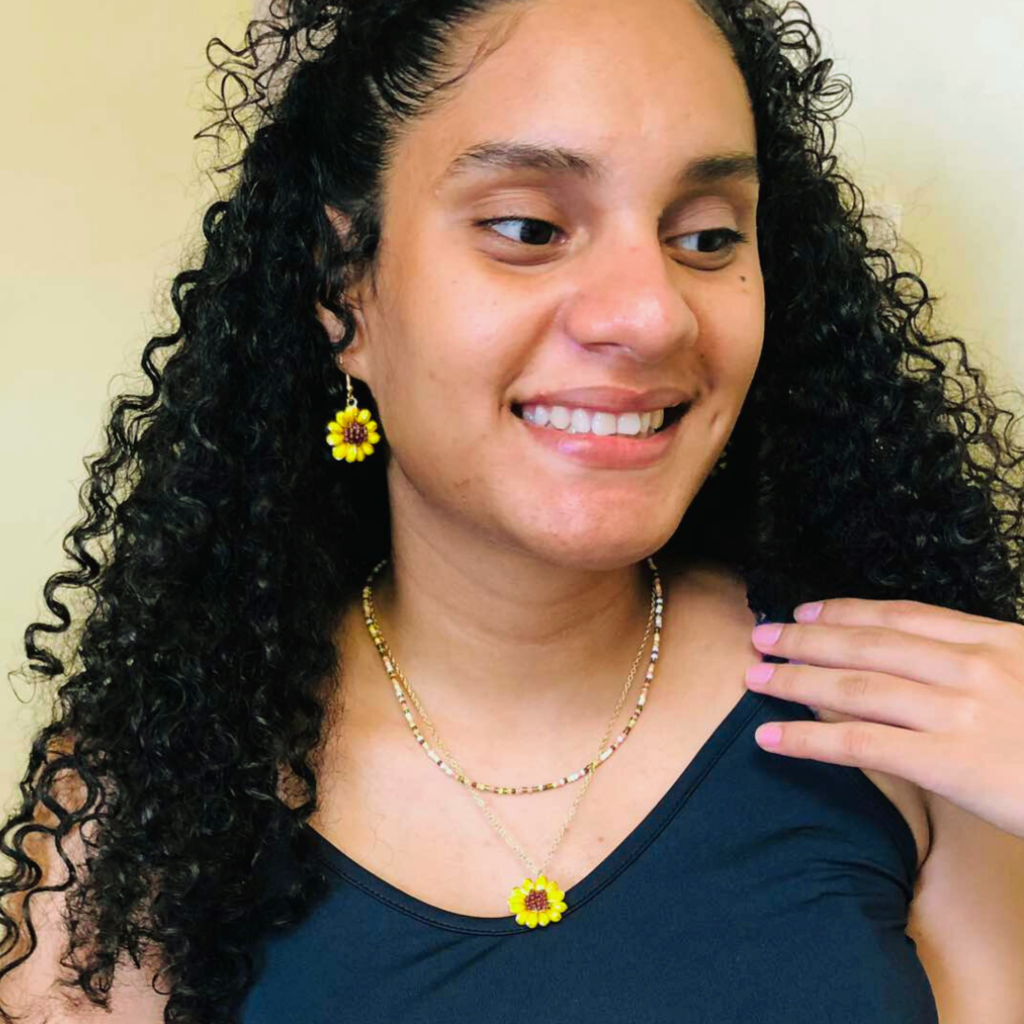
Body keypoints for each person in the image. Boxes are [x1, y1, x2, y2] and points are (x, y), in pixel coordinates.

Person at [1, 0, 1023, 1021]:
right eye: (529, 229)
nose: (651, 314)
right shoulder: (147, 809)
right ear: (342, 287)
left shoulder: (909, 720)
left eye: (708, 238)